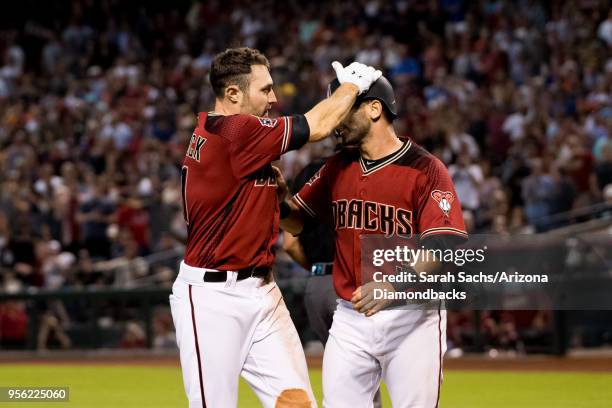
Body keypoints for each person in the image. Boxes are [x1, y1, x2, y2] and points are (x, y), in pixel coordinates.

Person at [168, 46, 382, 408]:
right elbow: (319, 125)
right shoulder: (235, 130)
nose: (273, 97)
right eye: (265, 89)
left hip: (262, 292)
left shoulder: (235, 142)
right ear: (232, 94)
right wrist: (350, 85)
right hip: (213, 298)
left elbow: (288, 221)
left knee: (299, 404)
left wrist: (278, 201)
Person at [279, 75, 467, 407]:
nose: (335, 120)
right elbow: (298, 220)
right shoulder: (337, 166)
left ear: (374, 109)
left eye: (344, 110)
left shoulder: (426, 168)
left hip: (411, 314)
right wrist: (275, 201)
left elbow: (445, 243)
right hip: (350, 316)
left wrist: (395, 284)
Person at [282, 159, 383, 408]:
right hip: (345, 285)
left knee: (341, 365)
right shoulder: (345, 189)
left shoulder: (301, 195)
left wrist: (317, 270)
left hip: (315, 285)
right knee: (364, 366)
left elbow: (290, 244)